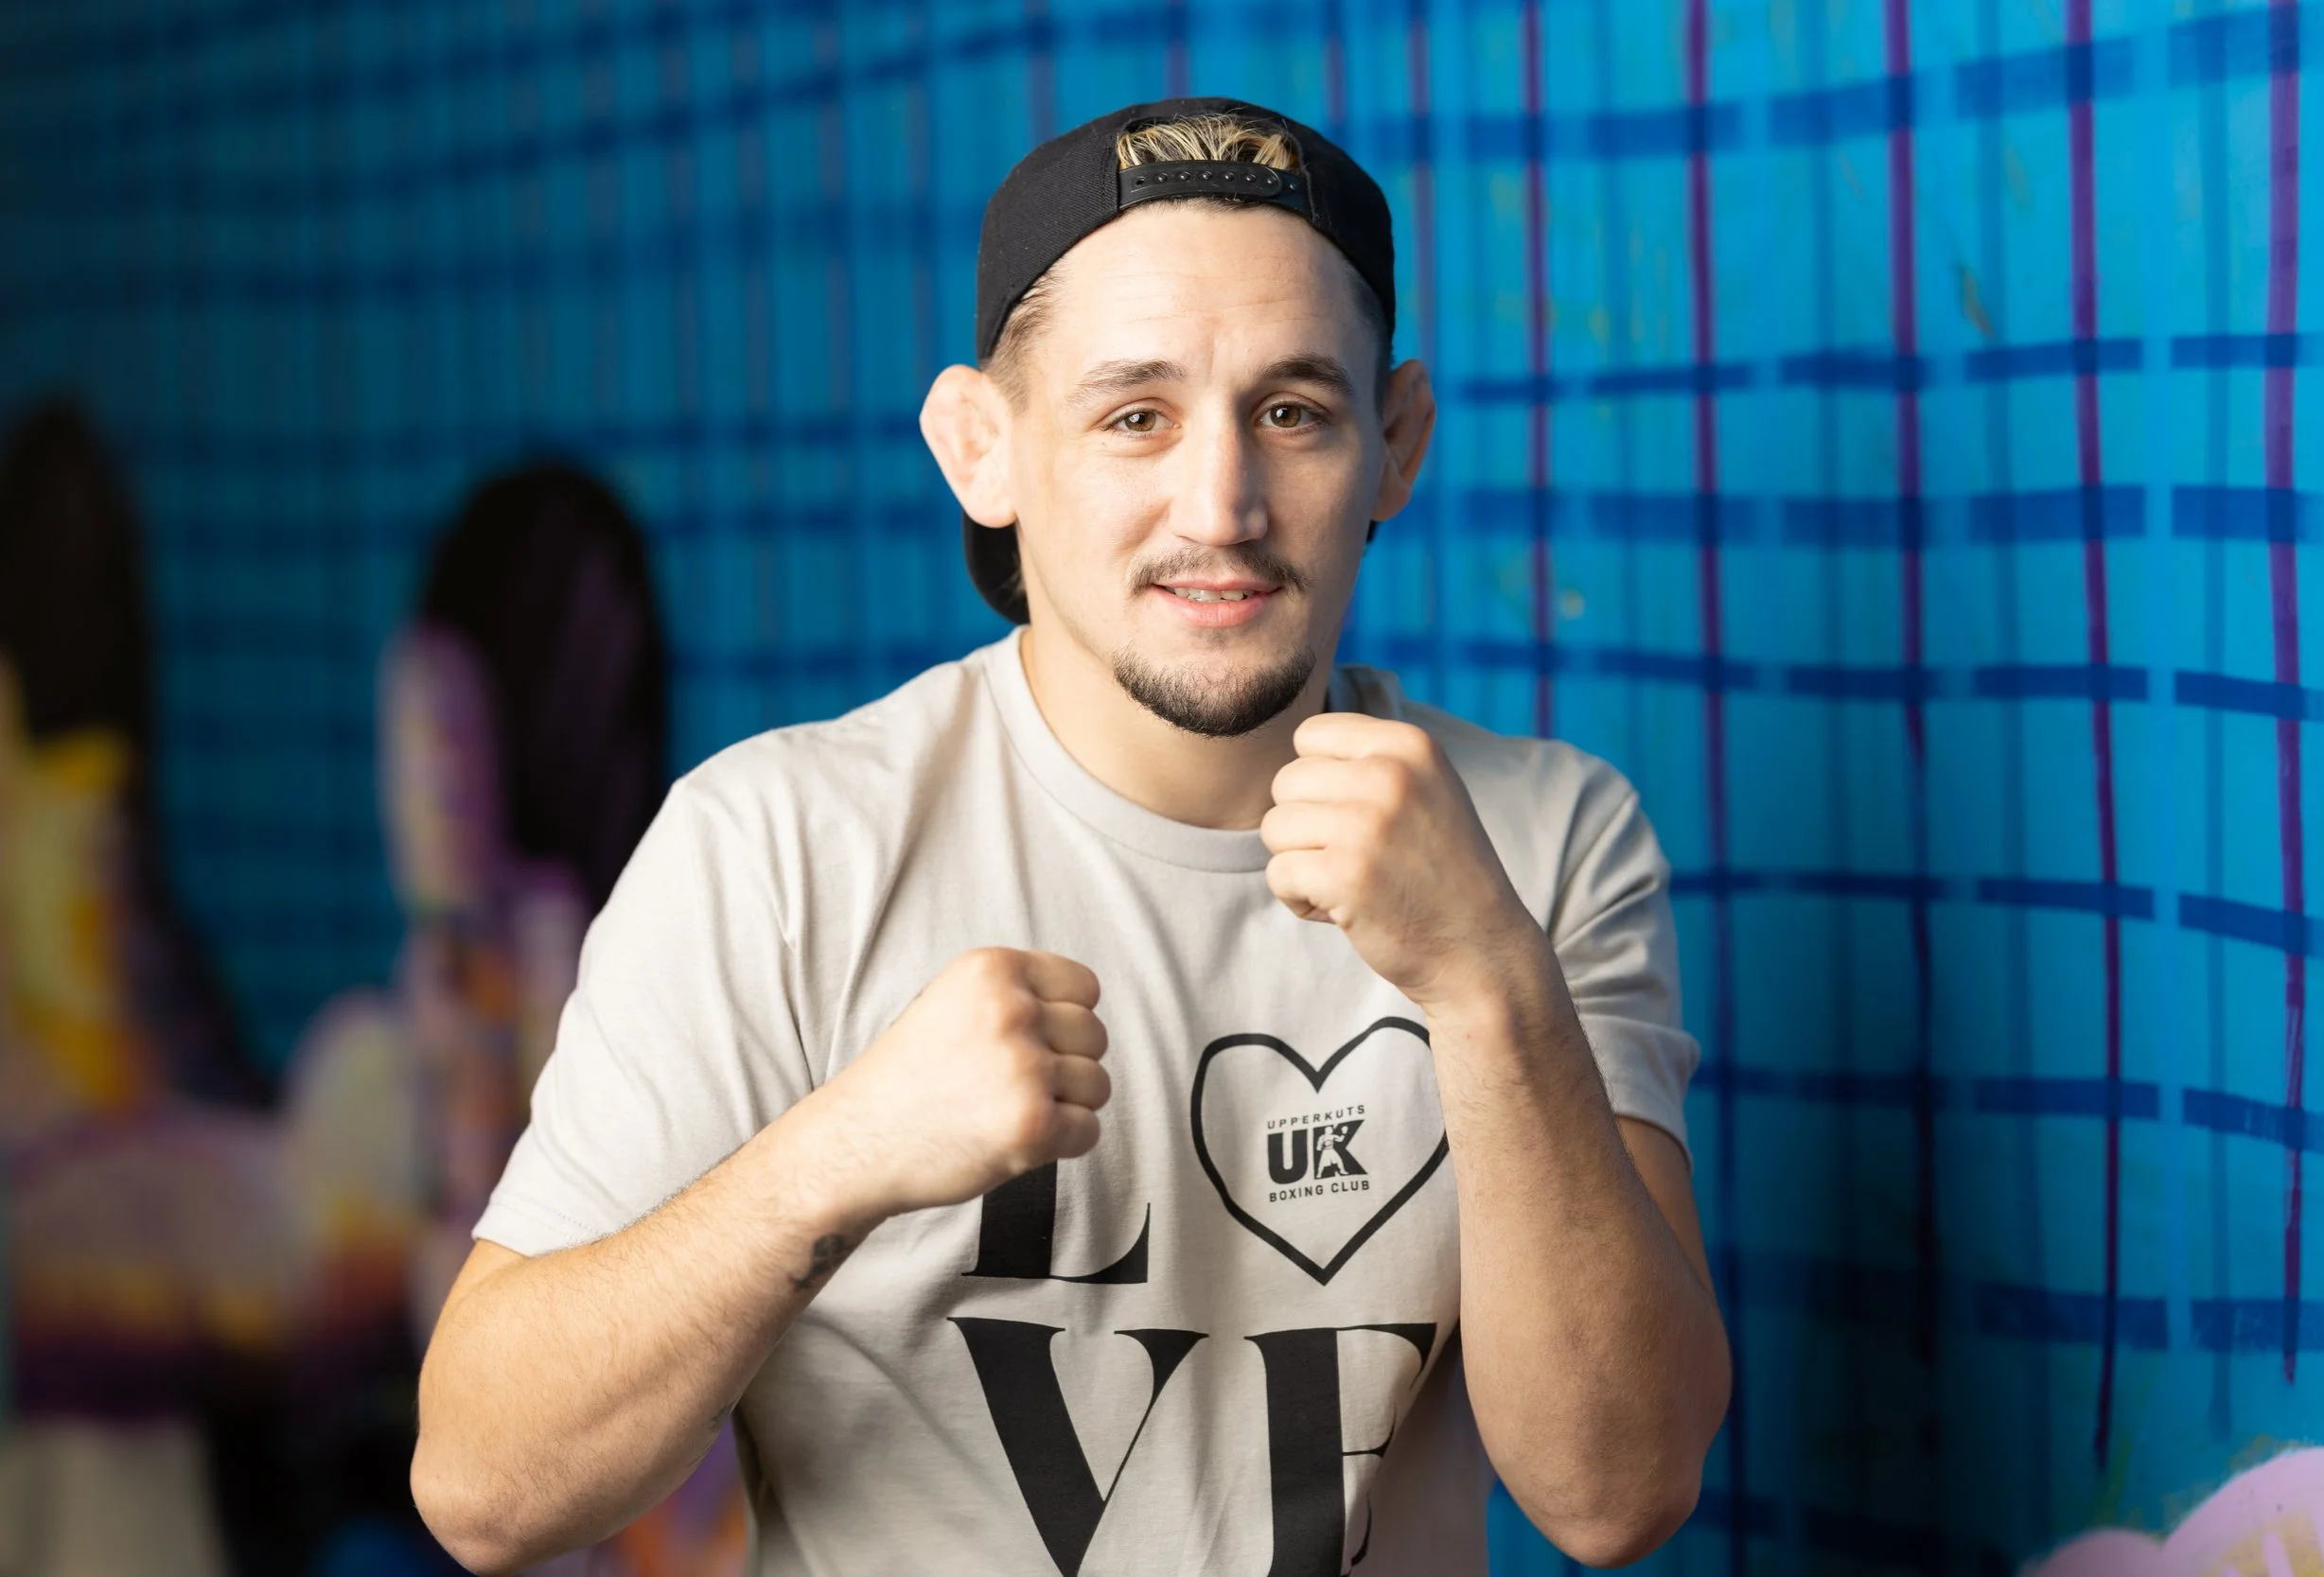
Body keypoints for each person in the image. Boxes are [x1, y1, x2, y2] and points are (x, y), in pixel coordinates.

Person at [413, 98, 1732, 1576]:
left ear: (1397, 443)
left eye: (1292, 411)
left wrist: (1491, 982)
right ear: (983, 447)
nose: (1221, 505)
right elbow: (483, 1486)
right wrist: (835, 1155)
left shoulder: (1546, 838)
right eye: (1135, 417)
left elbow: (1619, 1492)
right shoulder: (778, 847)